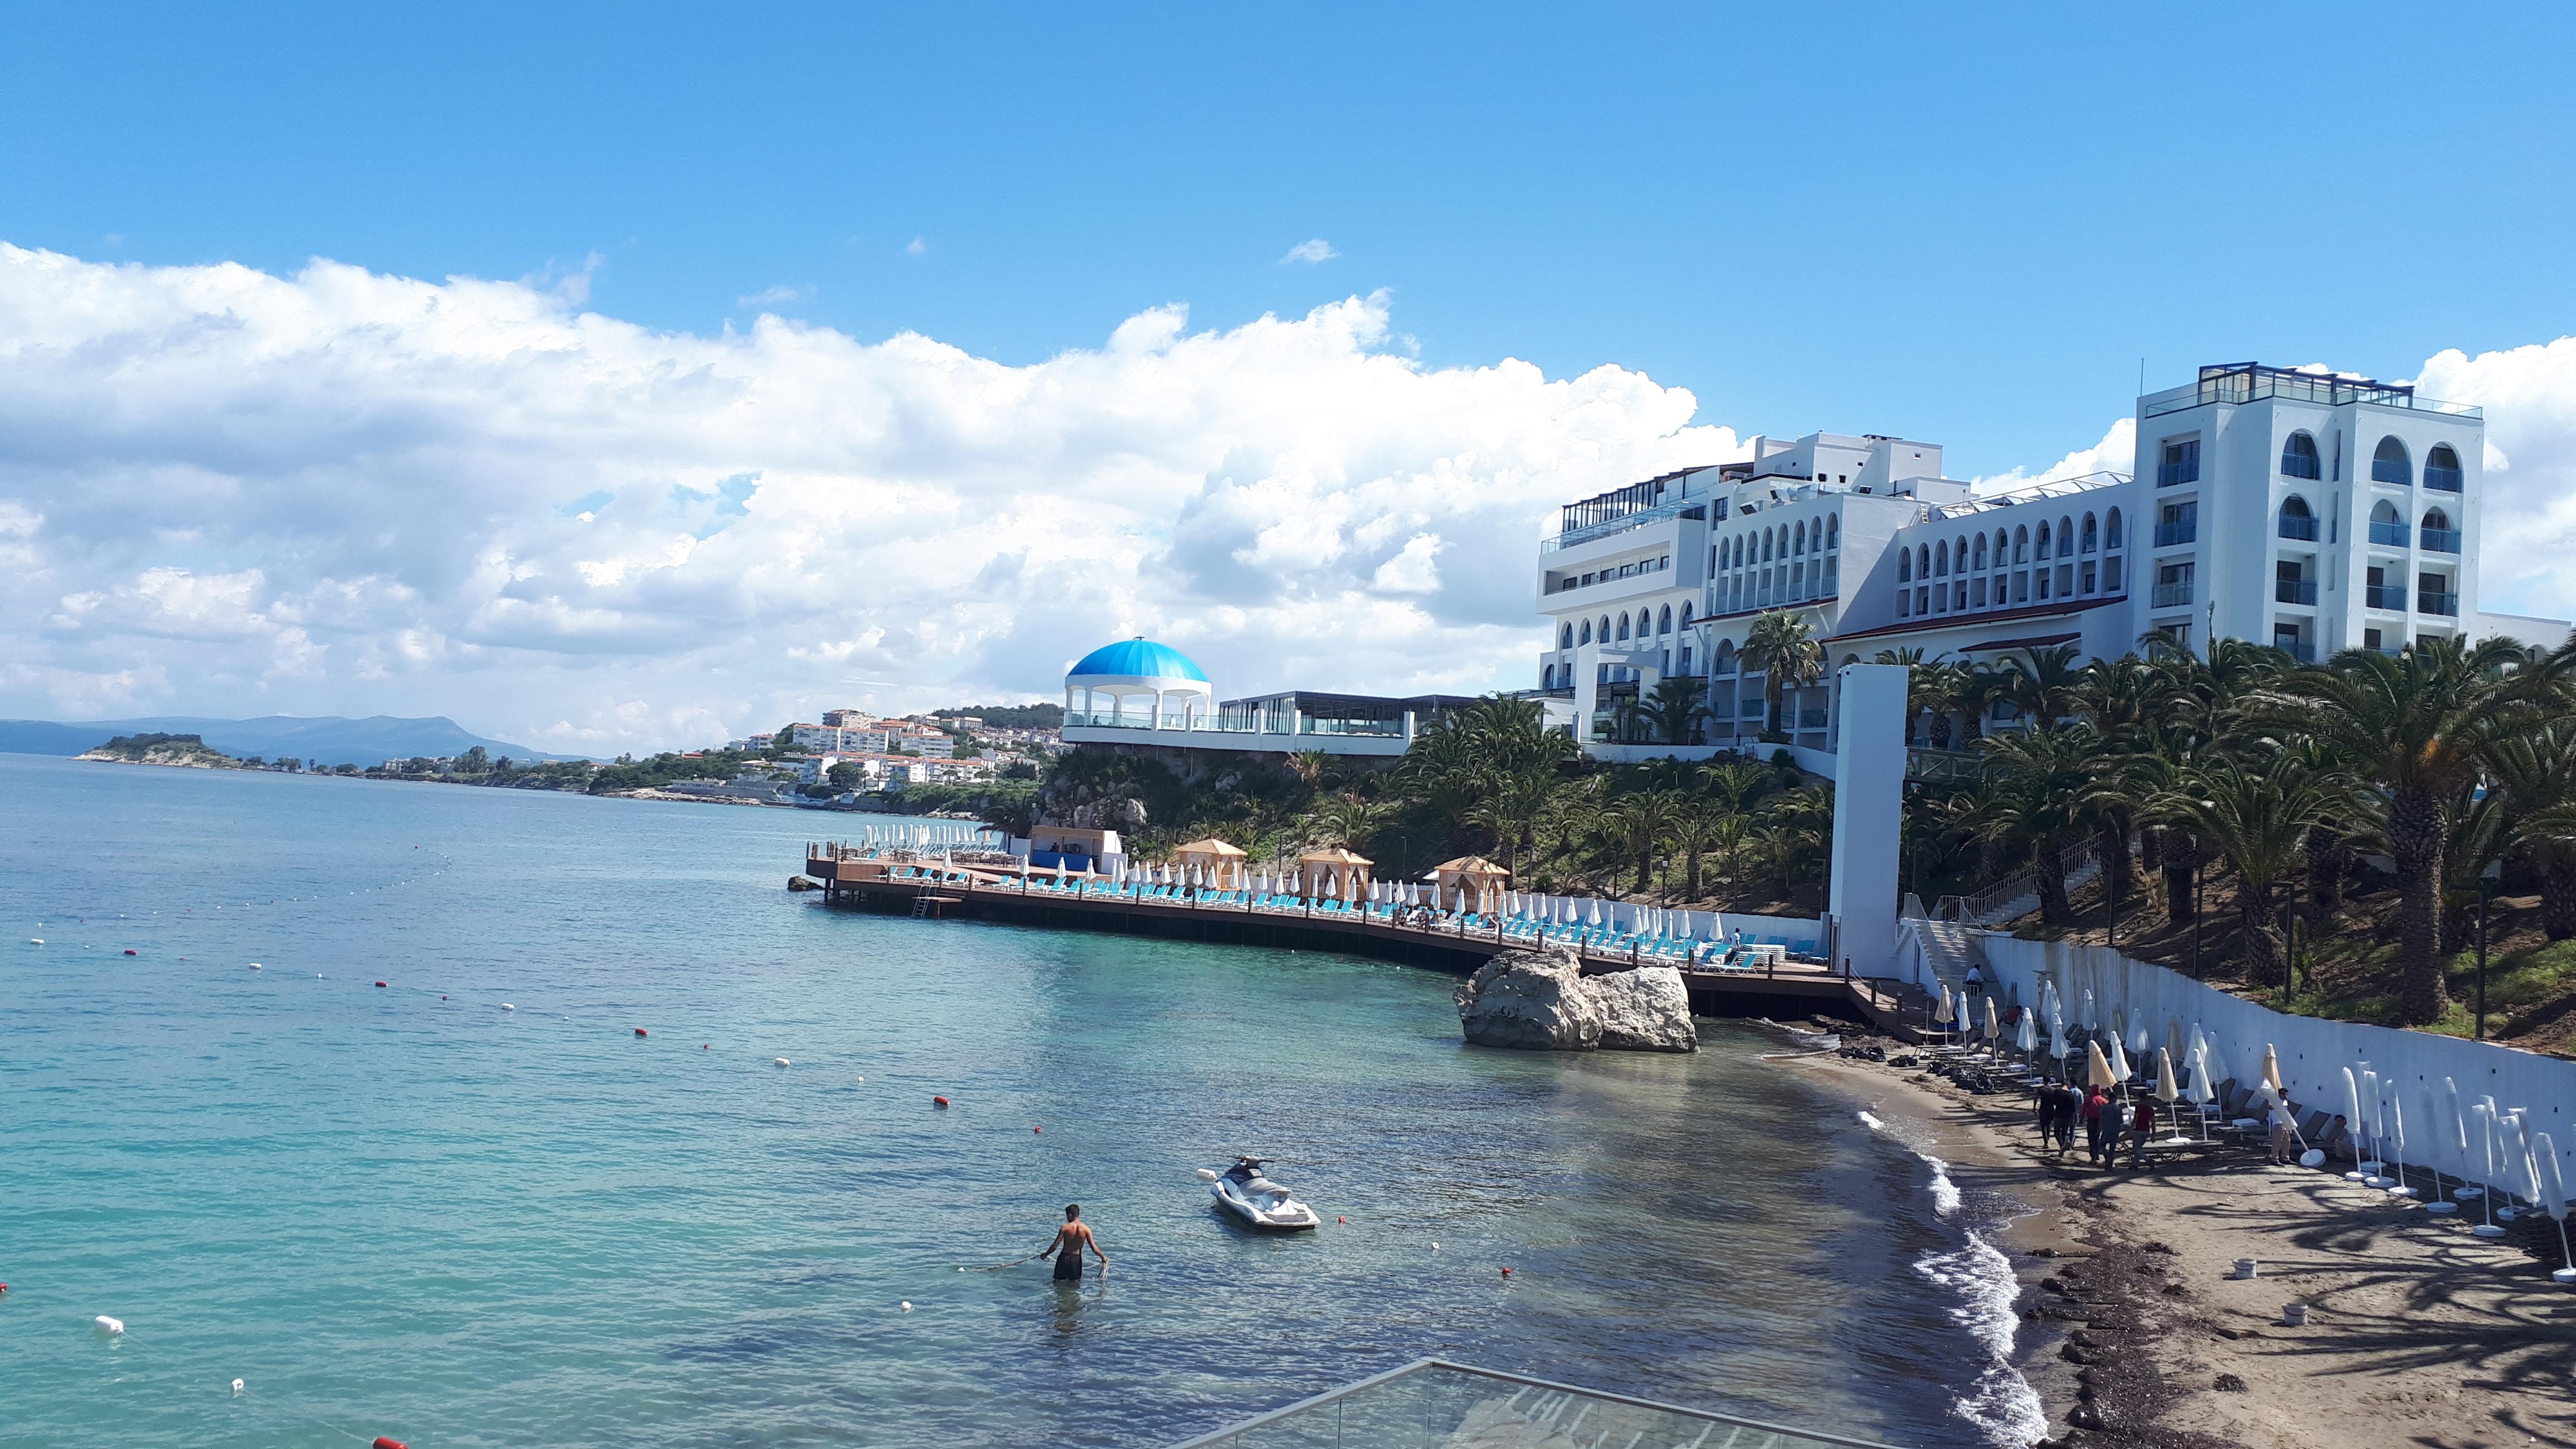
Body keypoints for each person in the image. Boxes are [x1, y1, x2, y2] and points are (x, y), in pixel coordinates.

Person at [1044, 1204, 1106, 1282]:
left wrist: (1046, 1255)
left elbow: (1055, 1246)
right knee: (1074, 1283)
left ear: (1070, 1215)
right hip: (1076, 1260)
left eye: (1067, 1216)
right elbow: (1094, 1248)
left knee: (1058, 1282)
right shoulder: (1086, 1229)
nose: (1067, 1219)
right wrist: (1103, 1257)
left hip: (1064, 1258)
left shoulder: (1065, 1228)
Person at [2127, 1093, 2156, 1169]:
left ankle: (2148, 1160)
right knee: (2139, 1148)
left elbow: (2136, 1119)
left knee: (2136, 1149)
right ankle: (2134, 1165)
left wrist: (2130, 1129)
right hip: (2146, 1131)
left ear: (2140, 1098)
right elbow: (2153, 1122)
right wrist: (2153, 1135)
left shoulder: (2139, 1107)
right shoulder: (2150, 1108)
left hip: (2138, 1130)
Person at [2082, 1086, 2109, 1166]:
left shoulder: (2090, 1099)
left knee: (2091, 1139)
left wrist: (2082, 1119)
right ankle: (2097, 1155)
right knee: (2097, 1138)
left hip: (2091, 1121)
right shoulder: (2103, 1100)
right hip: (2100, 1122)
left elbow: (2084, 1109)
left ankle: (2093, 1157)